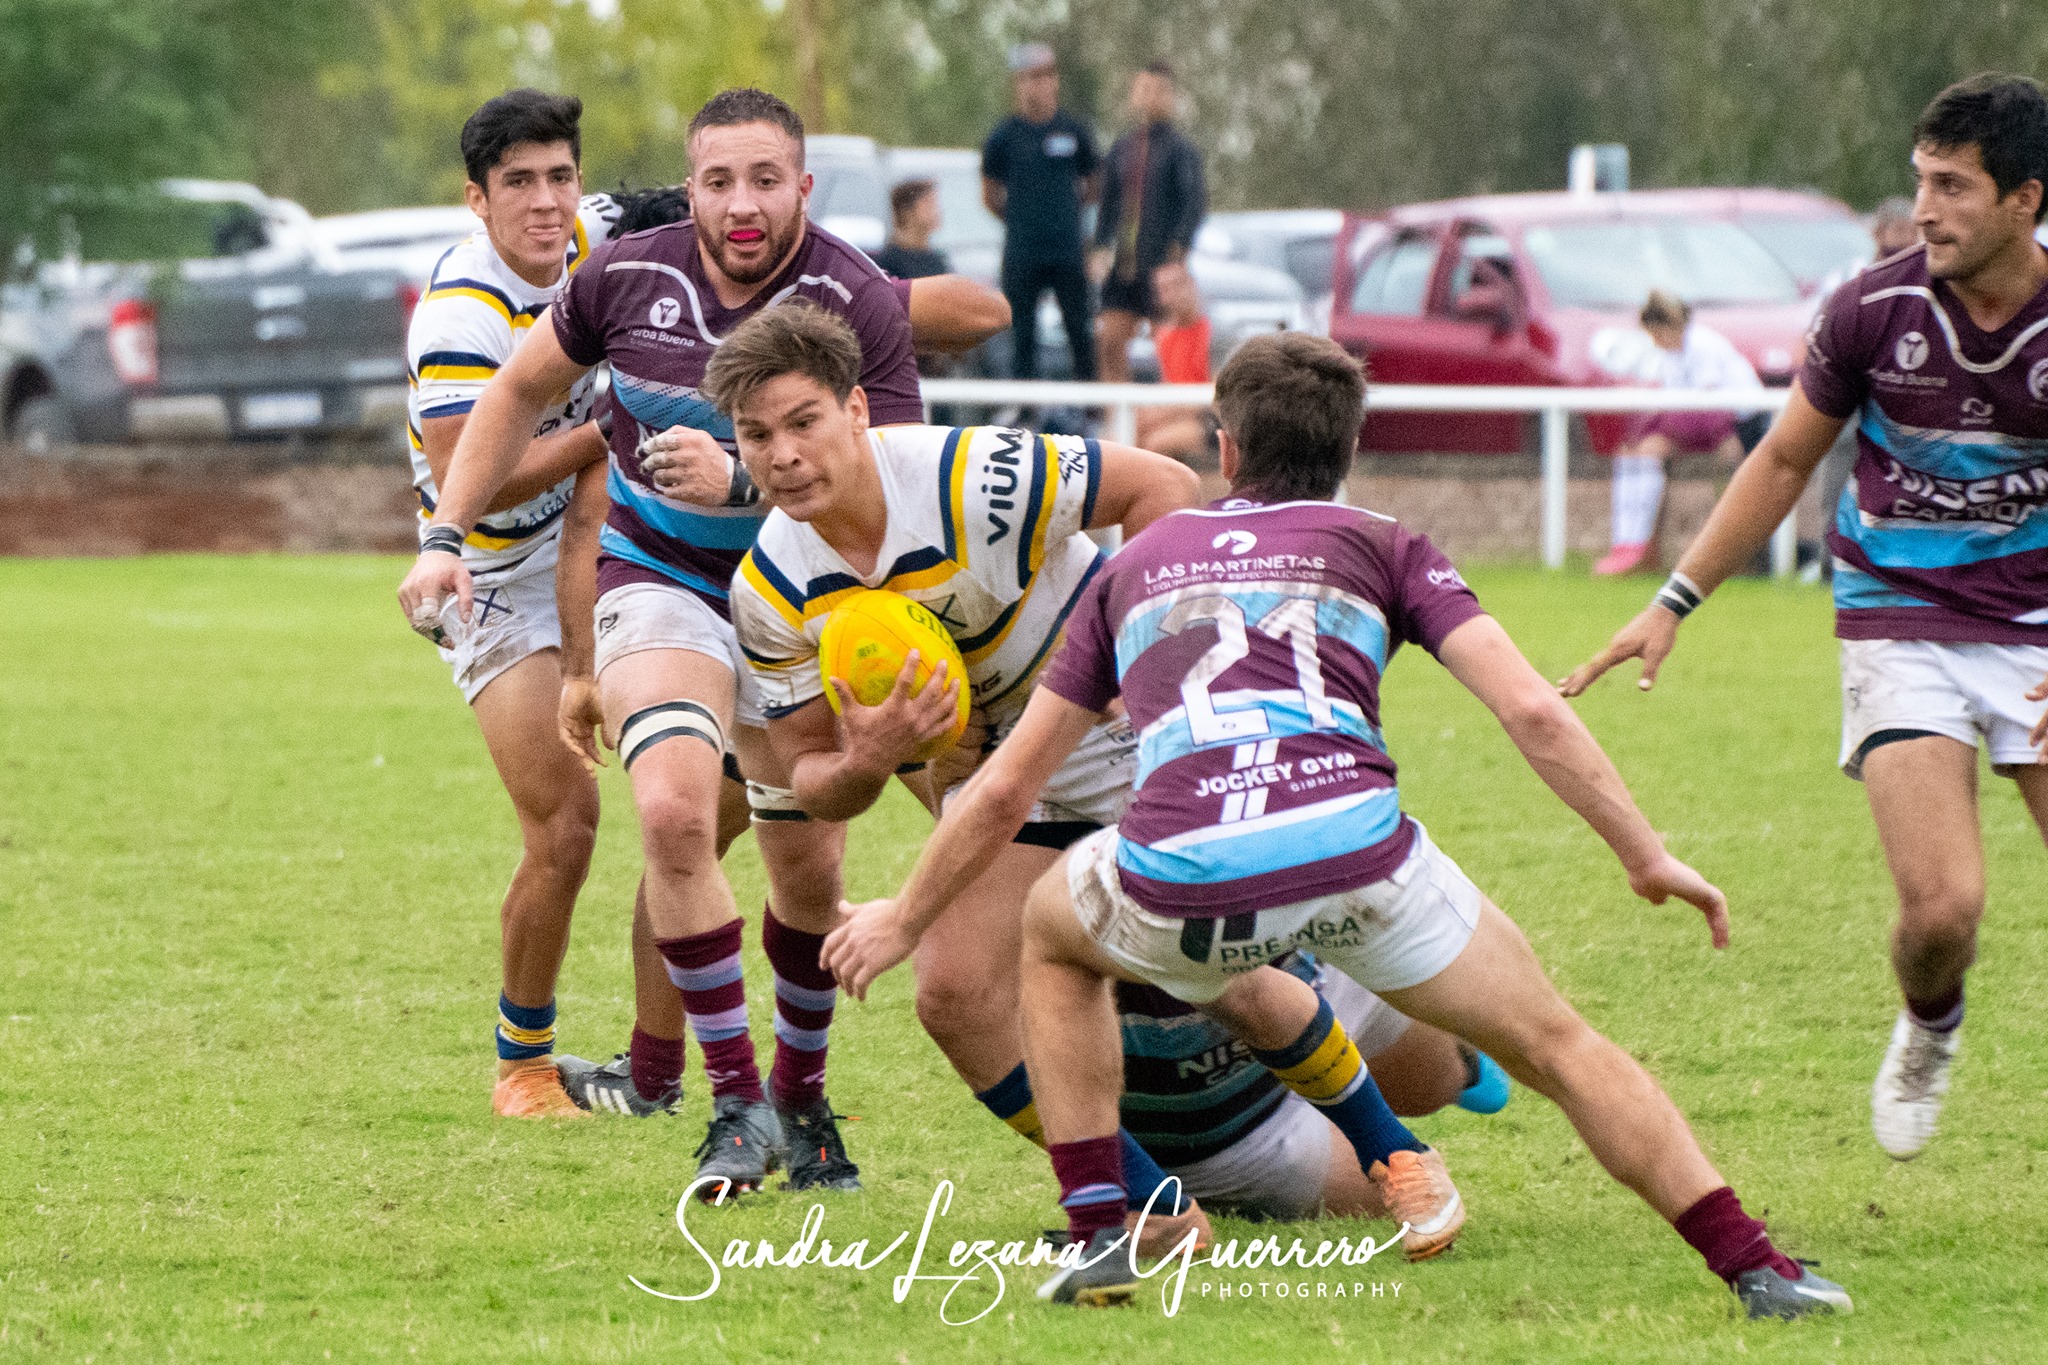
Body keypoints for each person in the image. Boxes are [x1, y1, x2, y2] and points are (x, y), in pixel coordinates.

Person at [871, 330, 1849, 1317]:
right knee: (1558, 1044)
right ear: (1346, 453)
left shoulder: (1136, 565)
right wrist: (1644, 856)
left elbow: (1002, 790)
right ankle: (1753, 1266)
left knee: (1050, 932)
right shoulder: (1383, 543)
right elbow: (1532, 711)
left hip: (1185, 872)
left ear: (1225, 449)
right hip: (1355, 851)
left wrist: (904, 920)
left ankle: (1108, 1230)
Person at [400, 87, 927, 1196]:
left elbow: (894, 483)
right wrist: (443, 535)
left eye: (765, 179)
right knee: (672, 814)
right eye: (718, 180)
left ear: (801, 187)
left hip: (800, 592)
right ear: (688, 187)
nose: (741, 203)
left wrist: (746, 478)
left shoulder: (855, 295)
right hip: (662, 576)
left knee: (804, 863)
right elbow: (506, 400)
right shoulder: (622, 275)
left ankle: (800, 1098)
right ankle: (731, 1103)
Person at [1564, 74, 2048, 1164]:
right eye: (1919, 182)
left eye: (1952, 187)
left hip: (2034, 628)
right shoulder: (1869, 312)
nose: (1922, 209)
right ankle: (1930, 1024)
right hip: (1901, 620)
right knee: (1940, 916)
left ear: (2023, 199)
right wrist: (1672, 602)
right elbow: (1781, 459)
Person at [704, 301, 1219, 1251]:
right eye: (755, 435)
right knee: (954, 993)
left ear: (858, 409)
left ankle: (1394, 1127)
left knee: (1259, 976)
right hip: (996, 773)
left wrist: (1128, 658)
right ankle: (1149, 1207)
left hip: (1112, 725)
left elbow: (1168, 488)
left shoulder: (971, 474)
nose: (780, 454)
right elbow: (813, 781)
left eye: (802, 421)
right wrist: (869, 754)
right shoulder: (768, 587)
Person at [402, 89, 625, 1119]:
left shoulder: (600, 233)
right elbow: (476, 479)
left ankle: (666, 1058)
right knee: (567, 820)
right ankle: (523, 1068)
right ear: (476, 201)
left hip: (608, 546)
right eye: (519, 184)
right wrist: (607, 429)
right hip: (482, 575)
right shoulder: (459, 313)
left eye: (560, 176)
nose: (546, 203)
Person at [1118, 950, 1512, 1224]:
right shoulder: (1066, 878)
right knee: (1382, 1202)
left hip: (1312, 977)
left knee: (1434, 1079)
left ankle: (1463, 1068)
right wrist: (1145, 1197)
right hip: (1220, 1116)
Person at [1593, 291, 1764, 577]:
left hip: (1743, 427)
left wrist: (1660, 434)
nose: (1654, 341)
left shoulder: (1703, 345)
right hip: (1712, 423)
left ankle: (1637, 546)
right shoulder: (1672, 354)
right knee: (1633, 450)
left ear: (1664, 327)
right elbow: (1678, 406)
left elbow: (1710, 406)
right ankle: (1630, 544)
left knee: (1650, 449)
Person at [982, 42, 1100, 381]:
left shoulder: (1073, 131)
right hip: (1023, 253)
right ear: (1018, 83)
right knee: (1022, 338)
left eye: (1043, 77)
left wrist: (1066, 215)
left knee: (1080, 332)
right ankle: (1024, 415)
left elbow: (1093, 184)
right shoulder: (1003, 137)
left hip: (1067, 251)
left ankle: (1088, 412)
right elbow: (990, 194)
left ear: (1055, 81)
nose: (1036, 85)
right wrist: (1021, 219)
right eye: (1028, 78)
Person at [1093, 61, 1206, 385]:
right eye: (1144, 89)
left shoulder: (1180, 150)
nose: (1150, 97)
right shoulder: (1122, 148)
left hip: (1160, 266)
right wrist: (1100, 246)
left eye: (1158, 91)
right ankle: (1117, 417)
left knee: (1167, 344)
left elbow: (1193, 203)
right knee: (1109, 341)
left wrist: (1178, 252)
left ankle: (1170, 417)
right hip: (1123, 264)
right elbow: (1109, 202)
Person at [1132, 261, 1216, 467]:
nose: (1169, 295)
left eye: (1176, 286)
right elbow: (1167, 383)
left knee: (1156, 444)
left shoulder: (1214, 332)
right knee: (1122, 432)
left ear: (1191, 286)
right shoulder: (1164, 335)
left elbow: (1220, 394)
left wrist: (1170, 410)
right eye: (1162, 289)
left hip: (1209, 419)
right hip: (1177, 411)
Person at [873, 179, 949, 282]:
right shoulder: (889, 263)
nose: (937, 211)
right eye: (929, 204)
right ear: (907, 211)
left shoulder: (937, 260)